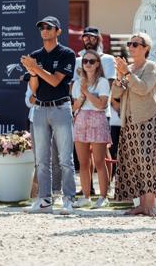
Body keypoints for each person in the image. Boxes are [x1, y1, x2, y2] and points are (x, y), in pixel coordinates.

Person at [112, 33, 156, 216]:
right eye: (130, 43)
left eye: (135, 43)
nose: (131, 46)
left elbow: (143, 89)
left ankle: (150, 204)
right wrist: (120, 76)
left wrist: (126, 73)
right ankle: (142, 204)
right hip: (129, 120)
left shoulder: (151, 66)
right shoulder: (127, 68)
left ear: (146, 48)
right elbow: (116, 94)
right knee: (136, 163)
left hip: (148, 118)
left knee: (148, 161)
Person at [20, 16, 76, 215]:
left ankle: (68, 199)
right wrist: (33, 73)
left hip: (61, 108)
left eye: (49, 27)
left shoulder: (67, 54)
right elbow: (34, 89)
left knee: (65, 159)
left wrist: (35, 68)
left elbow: (54, 82)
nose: (44, 30)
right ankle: (44, 200)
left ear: (58, 31)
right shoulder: (36, 55)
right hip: (40, 109)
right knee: (41, 160)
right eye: (41, 27)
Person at [71, 50, 111, 209]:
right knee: (83, 163)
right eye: (85, 61)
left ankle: (103, 197)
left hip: (97, 119)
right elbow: (74, 106)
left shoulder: (103, 82)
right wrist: (82, 95)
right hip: (81, 120)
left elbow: (102, 104)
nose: (88, 64)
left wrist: (86, 92)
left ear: (97, 64)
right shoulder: (76, 83)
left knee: (100, 161)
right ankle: (86, 196)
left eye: (92, 61)